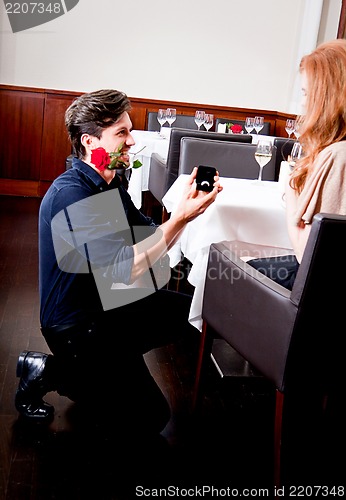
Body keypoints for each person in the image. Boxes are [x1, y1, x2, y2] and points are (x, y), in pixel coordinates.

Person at [14, 89, 222, 433]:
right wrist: (180, 219)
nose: (131, 140)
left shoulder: (109, 183)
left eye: (129, 129)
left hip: (112, 304)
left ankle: (106, 369)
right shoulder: (72, 192)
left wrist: (181, 213)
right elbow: (126, 267)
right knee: (151, 417)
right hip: (78, 327)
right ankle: (50, 371)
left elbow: (152, 239)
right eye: (121, 133)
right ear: (89, 141)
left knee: (192, 314)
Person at [248, 38, 346, 289]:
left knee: (229, 270)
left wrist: (290, 188)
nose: (302, 103)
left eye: (305, 93)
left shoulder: (337, 156)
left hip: (315, 291)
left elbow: (307, 255)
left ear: (326, 97)